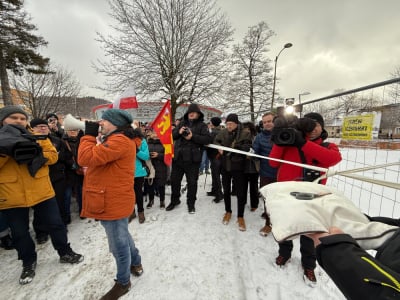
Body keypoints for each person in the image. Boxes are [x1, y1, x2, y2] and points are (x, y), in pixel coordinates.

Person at [0, 106, 83, 285]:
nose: (19, 121)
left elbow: (53, 156)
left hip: (42, 190)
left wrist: (34, 154)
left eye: (22, 118)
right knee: (20, 233)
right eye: (13, 118)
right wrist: (7, 150)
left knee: (56, 224)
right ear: (3, 120)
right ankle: (28, 262)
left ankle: (65, 252)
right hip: (12, 194)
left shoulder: (37, 135)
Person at [268, 112, 342, 285]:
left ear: (322, 126)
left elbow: (332, 159)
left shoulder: (328, 145)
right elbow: (272, 162)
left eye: (317, 124)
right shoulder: (289, 143)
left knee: (310, 231)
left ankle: (309, 264)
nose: (314, 128)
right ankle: (284, 253)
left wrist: (303, 143)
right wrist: (281, 136)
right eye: (311, 123)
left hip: (313, 197)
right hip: (287, 194)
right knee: (286, 227)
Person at [78, 109, 143, 300]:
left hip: (112, 201)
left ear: (114, 123)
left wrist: (88, 136)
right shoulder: (120, 139)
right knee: (122, 235)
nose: (100, 124)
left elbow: (85, 158)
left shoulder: (119, 141)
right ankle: (136, 262)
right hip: (115, 198)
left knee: (118, 245)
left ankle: (123, 282)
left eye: (104, 121)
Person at [307, 226, 400, 300]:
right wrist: (361, 221)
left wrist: (335, 247)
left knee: (309, 233)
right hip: (386, 263)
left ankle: (308, 266)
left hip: (384, 276)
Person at [166, 103, 212, 214]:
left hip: (192, 160)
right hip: (178, 158)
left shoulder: (202, 126)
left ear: (198, 114)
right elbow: (171, 136)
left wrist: (192, 137)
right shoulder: (182, 123)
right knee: (175, 181)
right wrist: (178, 131)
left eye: (194, 112)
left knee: (192, 183)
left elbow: (207, 140)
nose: (191, 114)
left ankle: (191, 204)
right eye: (190, 112)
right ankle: (174, 200)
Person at [30, 118, 70, 244]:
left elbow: (67, 156)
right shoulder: (28, 141)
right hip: (38, 180)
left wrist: (59, 156)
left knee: (59, 204)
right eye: (39, 126)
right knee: (40, 208)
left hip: (57, 177)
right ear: (32, 129)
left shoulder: (57, 141)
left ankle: (61, 226)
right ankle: (41, 232)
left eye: (45, 126)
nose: (43, 128)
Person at [214, 113, 253, 231]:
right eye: (227, 124)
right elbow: (215, 140)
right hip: (225, 166)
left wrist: (237, 148)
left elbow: (248, 147)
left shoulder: (245, 133)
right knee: (226, 190)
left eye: (231, 124)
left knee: (241, 192)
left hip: (239, 167)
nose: (229, 126)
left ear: (236, 123)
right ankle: (228, 211)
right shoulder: (223, 132)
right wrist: (219, 147)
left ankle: (240, 216)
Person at [252, 112, 277, 236]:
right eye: (264, 122)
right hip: (266, 173)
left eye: (269, 121)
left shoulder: (282, 134)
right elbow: (255, 151)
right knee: (267, 199)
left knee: (280, 200)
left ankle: (280, 222)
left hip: (282, 174)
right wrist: (250, 151)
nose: (267, 124)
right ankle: (268, 224)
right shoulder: (260, 136)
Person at [62, 124, 84, 223]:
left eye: (75, 130)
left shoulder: (82, 140)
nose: (73, 131)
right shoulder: (62, 141)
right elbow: (62, 156)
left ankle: (82, 211)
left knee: (81, 192)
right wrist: (72, 164)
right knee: (67, 195)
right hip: (67, 172)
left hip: (80, 170)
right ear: (66, 131)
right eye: (70, 130)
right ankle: (66, 217)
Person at [132, 127, 150, 224]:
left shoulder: (142, 141)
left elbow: (146, 156)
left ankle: (140, 212)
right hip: (126, 172)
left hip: (139, 171)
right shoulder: (125, 141)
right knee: (129, 194)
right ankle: (131, 212)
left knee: (138, 193)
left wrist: (136, 150)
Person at [146, 130, 168, 209]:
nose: (155, 135)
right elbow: (144, 154)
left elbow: (168, 155)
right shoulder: (147, 143)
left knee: (161, 185)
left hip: (161, 166)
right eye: (153, 133)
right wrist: (148, 155)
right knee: (150, 184)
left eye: (157, 133)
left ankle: (162, 201)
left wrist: (159, 155)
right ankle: (151, 200)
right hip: (150, 167)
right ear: (150, 134)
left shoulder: (164, 143)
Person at [242, 121, 260, 211]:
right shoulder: (240, 138)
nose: (247, 130)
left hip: (254, 166)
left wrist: (252, 153)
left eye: (248, 128)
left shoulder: (256, 138)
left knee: (254, 186)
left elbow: (258, 151)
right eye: (245, 129)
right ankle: (243, 201)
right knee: (243, 185)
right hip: (243, 166)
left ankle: (254, 204)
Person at [206, 117, 224, 203]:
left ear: (213, 123)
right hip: (216, 156)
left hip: (215, 157)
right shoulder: (220, 131)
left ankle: (219, 194)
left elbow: (208, 142)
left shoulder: (214, 133)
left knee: (216, 176)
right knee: (214, 175)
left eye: (210, 122)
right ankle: (214, 190)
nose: (209, 123)